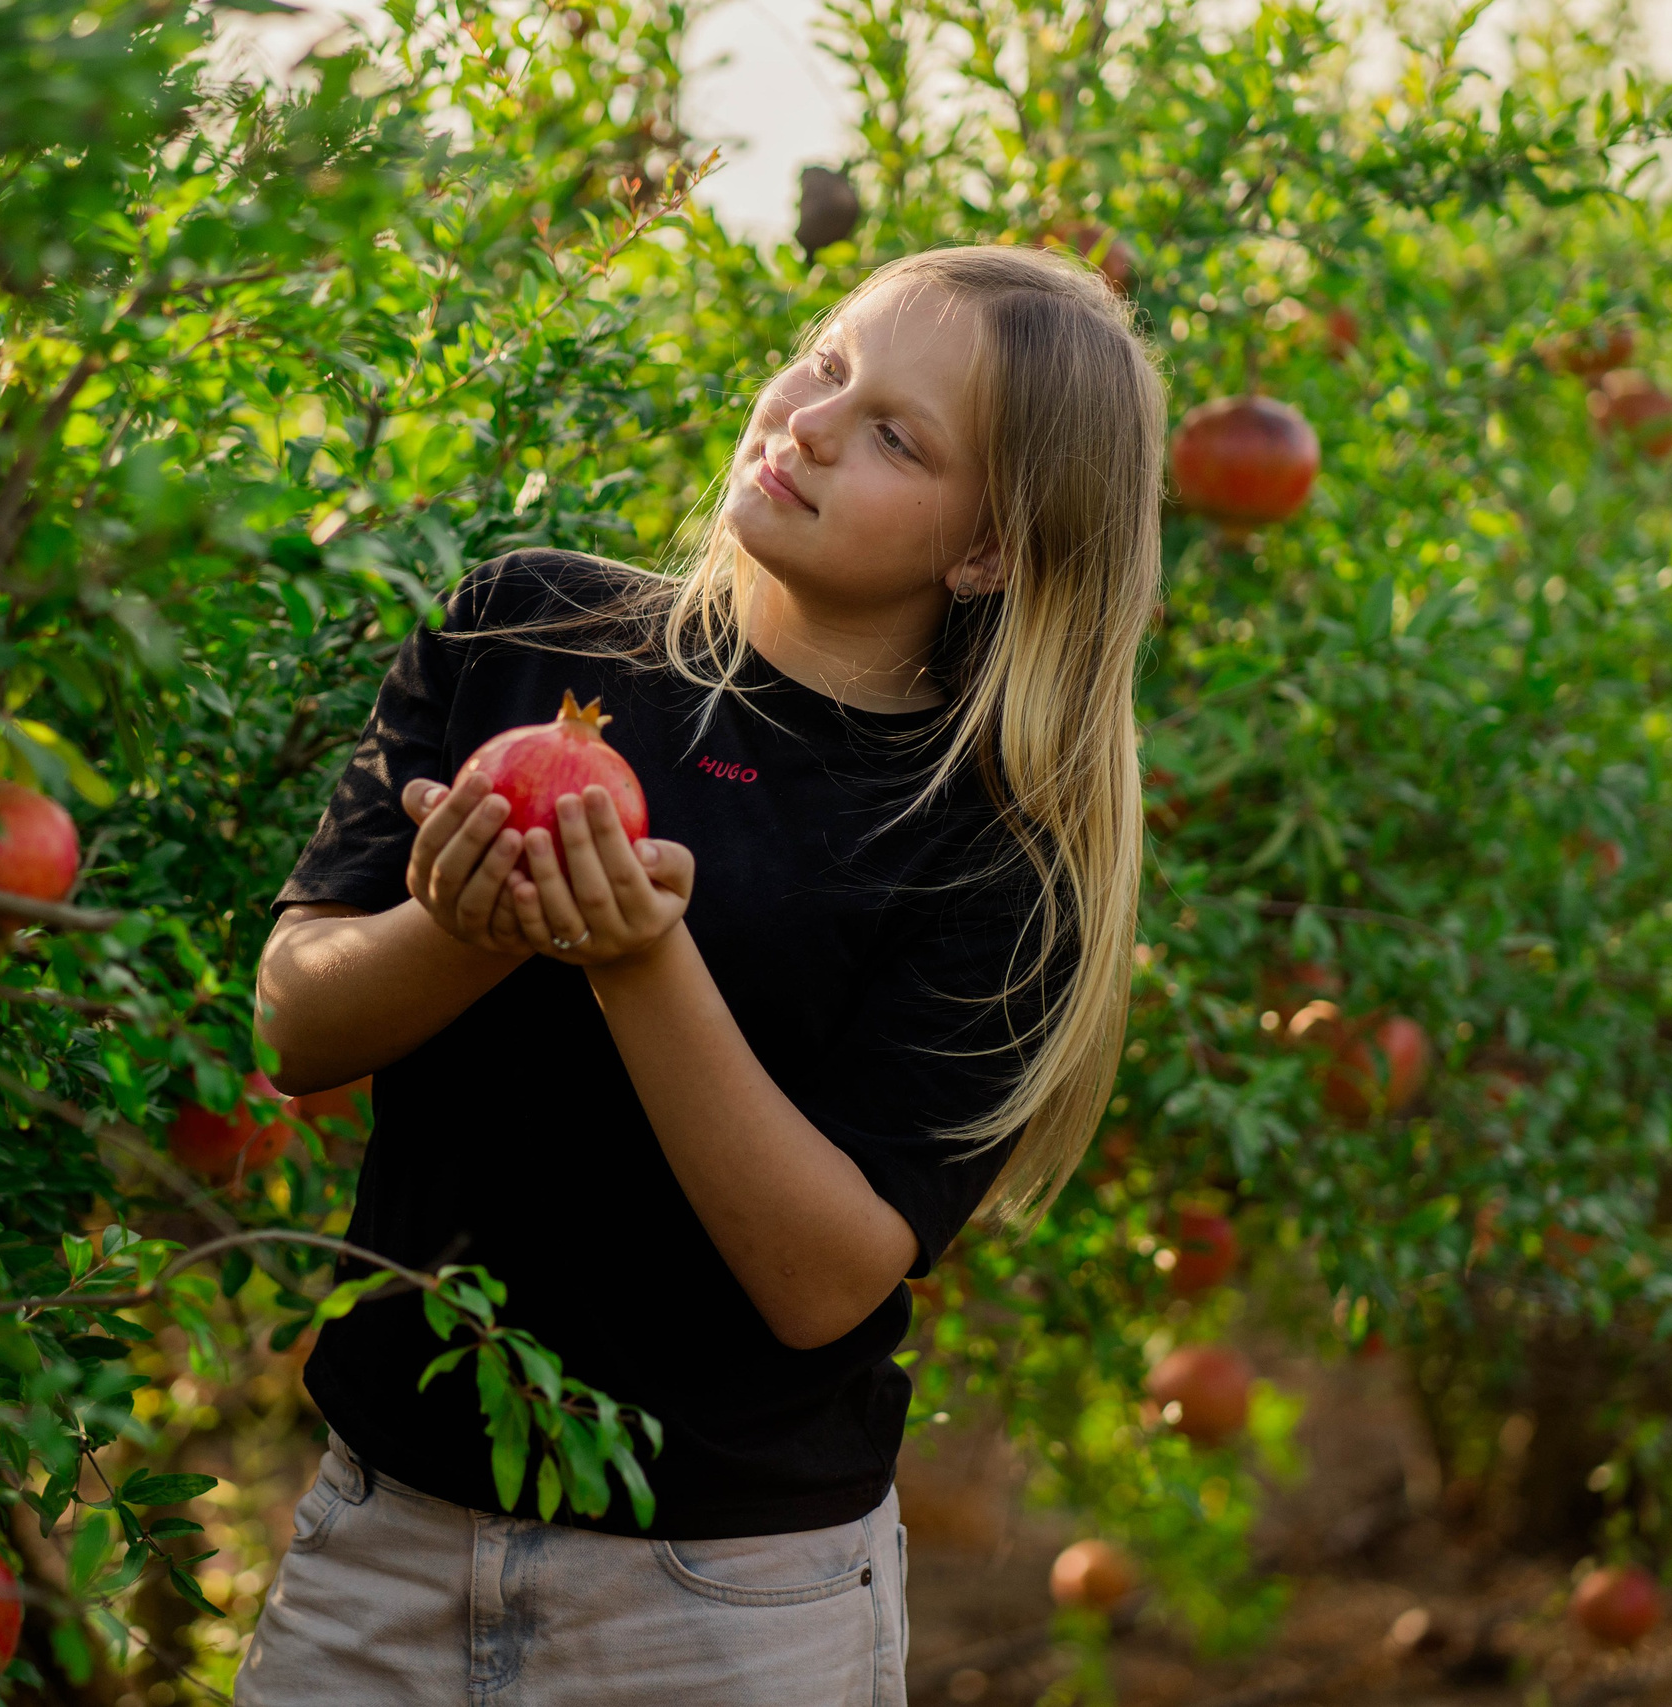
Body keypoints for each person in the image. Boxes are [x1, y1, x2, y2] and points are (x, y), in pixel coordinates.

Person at [238, 243, 1165, 1705]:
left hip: (727, 1607)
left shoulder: (993, 853)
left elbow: (820, 1284)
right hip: (385, 1545)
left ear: (986, 549)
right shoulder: (520, 628)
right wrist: (471, 927)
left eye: (895, 437)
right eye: (826, 365)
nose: (808, 420)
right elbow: (293, 1024)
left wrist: (639, 961)